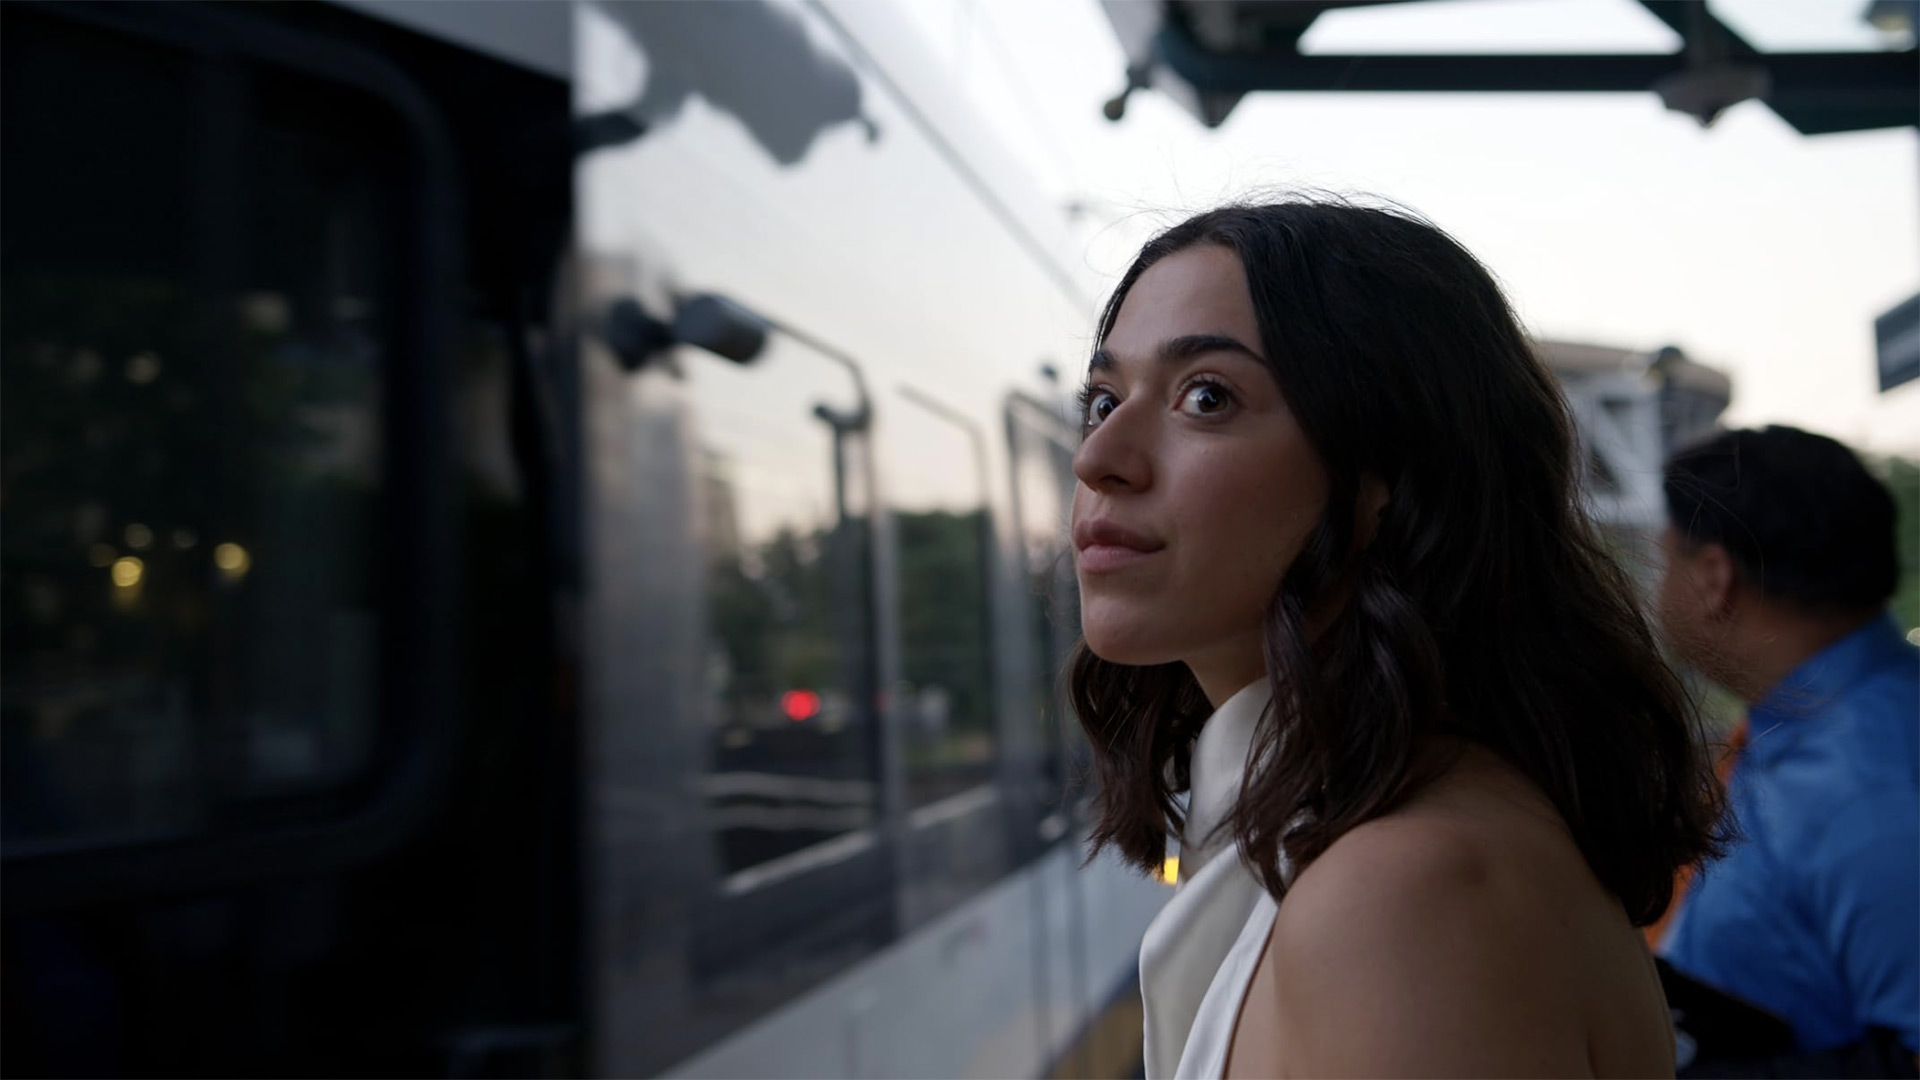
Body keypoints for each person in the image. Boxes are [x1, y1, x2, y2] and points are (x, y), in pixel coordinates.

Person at [1067, 198, 1727, 1079]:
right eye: (1103, 397)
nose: (1098, 456)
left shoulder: (1403, 891)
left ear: (1390, 476)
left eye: (1207, 397)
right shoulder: (1388, 831)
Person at [1655, 425, 1919, 1069]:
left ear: (1715, 577)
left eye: (1666, 561)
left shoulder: (1872, 779)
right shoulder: (1803, 733)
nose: (1655, 592)